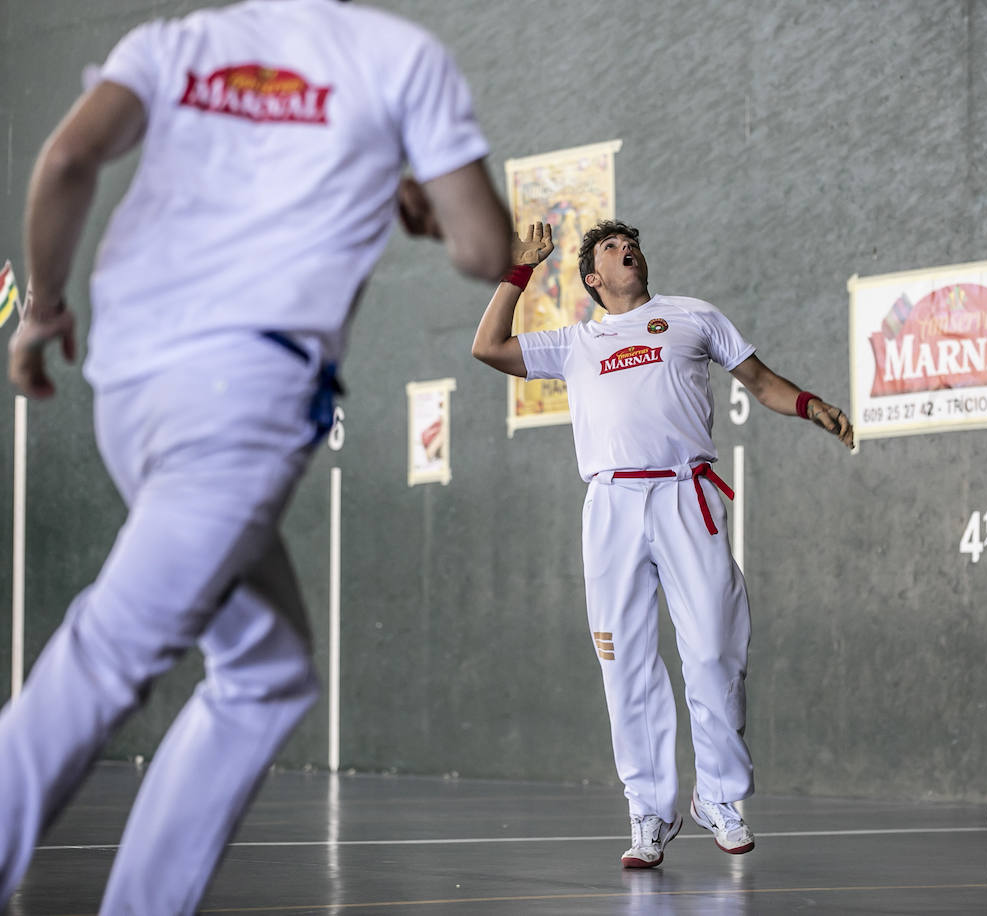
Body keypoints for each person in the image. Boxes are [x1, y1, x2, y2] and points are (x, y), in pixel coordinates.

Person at [0, 1, 511, 910]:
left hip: (127, 390)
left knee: (267, 672)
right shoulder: (399, 56)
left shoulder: (173, 42)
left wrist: (42, 308)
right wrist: (429, 205)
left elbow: (69, 160)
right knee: (110, 654)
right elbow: (484, 249)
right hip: (241, 401)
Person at [472, 220, 853, 869]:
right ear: (593, 277)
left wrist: (811, 404)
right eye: (614, 250)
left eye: (633, 245)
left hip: (686, 495)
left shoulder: (692, 317)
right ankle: (649, 810)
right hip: (612, 503)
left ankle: (720, 799)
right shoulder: (575, 343)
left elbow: (761, 382)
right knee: (627, 664)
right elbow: (489, 346)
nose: (630, 252)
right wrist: (518, 271)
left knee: (714, 647)